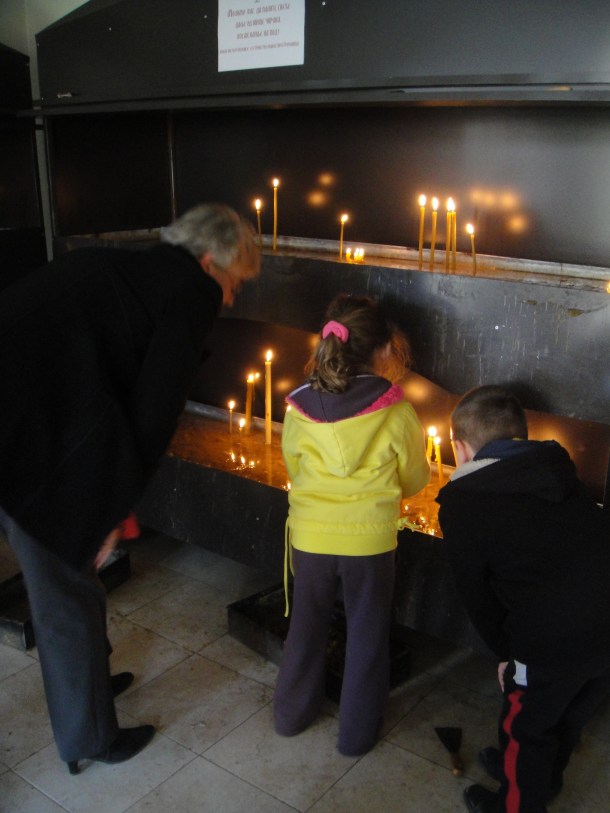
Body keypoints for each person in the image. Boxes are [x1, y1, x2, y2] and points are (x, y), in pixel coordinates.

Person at [0, 203, 259, 774]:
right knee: (65, 592)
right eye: (236, 282)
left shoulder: (116, 268)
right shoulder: (190, 292)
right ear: (210, 262)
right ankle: (90, 737)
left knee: (73, 584)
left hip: (27, 430)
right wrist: (112, 510)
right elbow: (153, 413)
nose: (233, 297)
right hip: (27, 448)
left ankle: (89, 690)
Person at [436, 385, 610, 813]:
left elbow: (478, 596)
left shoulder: (462, 504)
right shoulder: (558, 470)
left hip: (551, 640)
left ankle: (517, 802)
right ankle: (542, 779)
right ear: (523, 436)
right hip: (605, 629)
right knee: (567, 715)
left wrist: (509, 656)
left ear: (459, 448)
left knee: (524, 729)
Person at [273, 294, 430, 756]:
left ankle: (290, 716)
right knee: (367, 634)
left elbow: (294, 467)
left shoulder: (297, 406)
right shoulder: (397, 410)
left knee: (306, 626)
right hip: (370, 542)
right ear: (383, 349)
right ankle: (356, 736)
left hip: (311, 537)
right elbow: (415, 477)